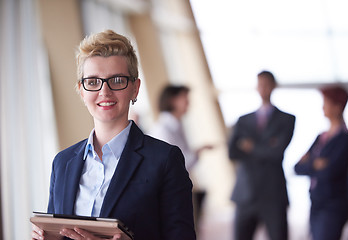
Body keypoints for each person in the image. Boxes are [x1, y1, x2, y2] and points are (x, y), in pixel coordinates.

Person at [31, 30, 196, 240]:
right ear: (82, 90)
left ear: (135, 89)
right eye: (93, 82)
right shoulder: (62, 163)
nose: (104, 91)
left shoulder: (165, 160)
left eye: (117, 80)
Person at [228, 70, 295, 240]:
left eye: (266, 85)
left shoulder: (287, 119)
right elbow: (232, 152)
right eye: (260, 85)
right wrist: (266, 147)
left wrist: (250, 147)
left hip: (273, 194)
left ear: (273, 86)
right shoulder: (243, 120)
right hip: (246, 193)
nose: (263, 89)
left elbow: (276, 153)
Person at [294, 85, 348, 240]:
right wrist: (316, 164)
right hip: (316, 201)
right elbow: (297, 167)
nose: (323, 107)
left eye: (326, 102)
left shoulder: (347, 139)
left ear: (337, 107)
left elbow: (331, 171)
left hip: (333, 205)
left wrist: (311, 163)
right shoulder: (321, 137)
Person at [149, 85, 213, 226]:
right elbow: (180, 163)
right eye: (185, 98)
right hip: (171, 193)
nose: (188, 103)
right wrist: (199, 150)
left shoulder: (175, 125)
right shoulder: (164, 130)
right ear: (172, 100)